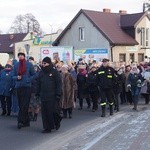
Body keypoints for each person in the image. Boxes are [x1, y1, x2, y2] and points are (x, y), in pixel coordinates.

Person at [36, 57, 62, 133]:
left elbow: (58, 83)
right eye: (42, 63)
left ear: (49, 63)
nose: (43, 65)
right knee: (44, 112)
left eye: (45, 63)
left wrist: (58, 94)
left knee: (53, 112)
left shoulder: (54, 72)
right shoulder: (41, 72)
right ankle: (47, 127)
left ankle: (56, 122)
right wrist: (37, 93)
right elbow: (38, 84)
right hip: (43, 95)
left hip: (52, 95)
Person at [12, 52, 36, 129]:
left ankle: (20, 121)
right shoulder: (16, 65)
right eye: (19, 56)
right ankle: (26, 121)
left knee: (24, 104)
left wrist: (28, 80)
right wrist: (16, 78)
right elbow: (12, 76)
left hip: (27, 86)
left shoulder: (29, 64)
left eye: (22, 56)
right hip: (19, 86)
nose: (20, 57)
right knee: (21, 104)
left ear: (24, 57)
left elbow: (34, 74)